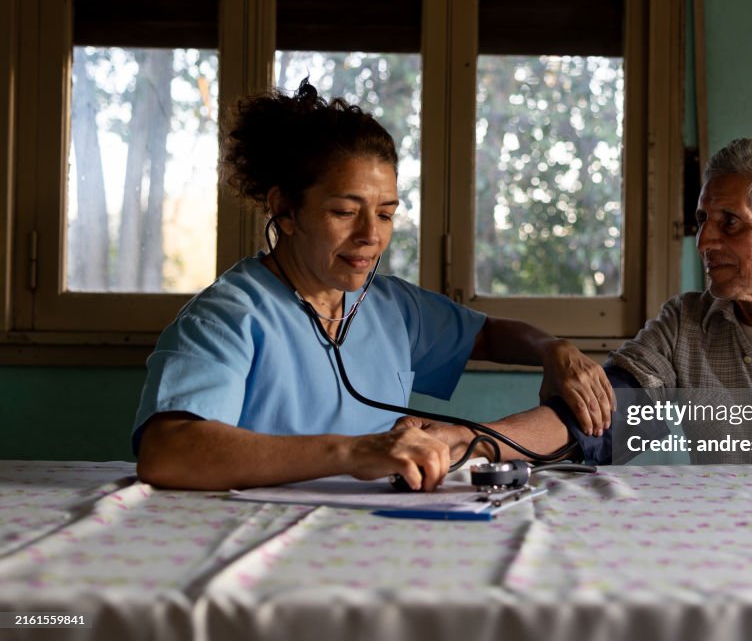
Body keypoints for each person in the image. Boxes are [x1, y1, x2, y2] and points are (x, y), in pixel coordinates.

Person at [132, 80, 613, 492]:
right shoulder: (229, 315)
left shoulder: (388, 305)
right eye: (345, 211)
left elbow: (487, 335)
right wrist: (356, 452)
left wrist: (554, 349)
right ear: (284, 209)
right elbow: (167, 451)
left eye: (385, 213)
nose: (371, 235)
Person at [436, 135, 752, 465]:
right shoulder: (685, 326)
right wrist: (467, 442)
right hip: (721, 559)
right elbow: (597, 421)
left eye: (730, 224)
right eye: (703, 221)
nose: (704, 242)